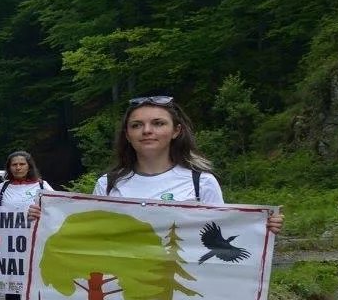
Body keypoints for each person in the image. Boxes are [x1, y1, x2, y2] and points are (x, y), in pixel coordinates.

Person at [27, 97, 283, 237]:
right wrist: (47, 218)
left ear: (176, 131)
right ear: (127, 135)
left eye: (158, 123)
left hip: (182, 293)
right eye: (137, 125)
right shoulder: (108, 183)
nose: (147, 131)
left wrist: (261, 227)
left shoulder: (201, 183)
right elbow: (96, 234)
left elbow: (221, 233)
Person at [0, 151, 44, 300]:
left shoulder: (42, 186)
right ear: (9, 168)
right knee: (12, 287)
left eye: (22, 164)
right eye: (14, 165)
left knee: (34, 285)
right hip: (9, 246)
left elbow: (57, 209)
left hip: (35, 244)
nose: (18, 168)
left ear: (29, 166)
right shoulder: (2, 188)